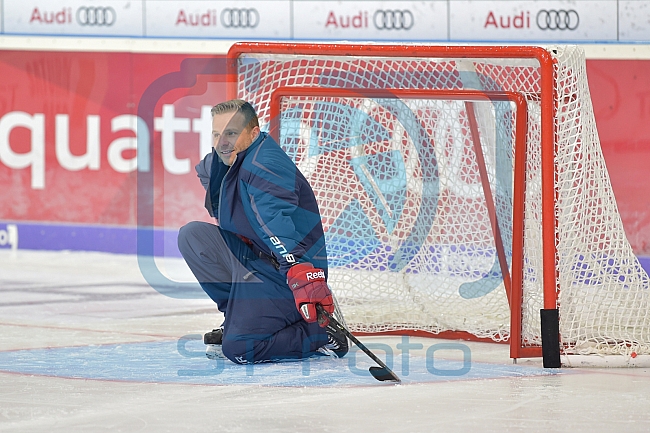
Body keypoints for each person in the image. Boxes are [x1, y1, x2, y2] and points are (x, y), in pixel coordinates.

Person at [177, 99, 348, 364]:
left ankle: (318, 333)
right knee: (193, 236)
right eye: (216, 133)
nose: (222, 141)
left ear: (253, 133)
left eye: (231, 133)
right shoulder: (227, 160)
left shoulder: (265, 165)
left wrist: (300, 272)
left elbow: (275, 220)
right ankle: (234, 318)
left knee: (241, 349)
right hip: (255, 259)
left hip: (284, 272)